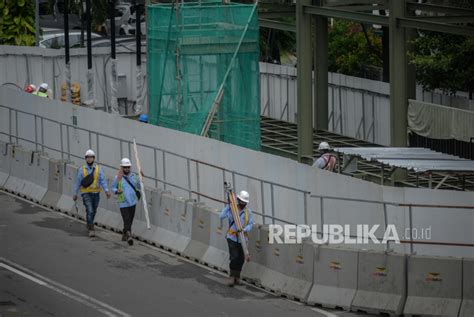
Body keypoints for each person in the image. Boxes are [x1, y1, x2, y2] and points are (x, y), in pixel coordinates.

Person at [73, 149, 111, 237]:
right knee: (90, 210)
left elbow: (103, 181)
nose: (89, 159)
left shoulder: (98, 169)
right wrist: (75, 193)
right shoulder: (81, 170)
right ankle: (91, 228)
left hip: (96, 193)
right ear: (85, 159)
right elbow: (77, 182)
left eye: (91, 157)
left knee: (93, 210)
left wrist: (106, 191)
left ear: (94, 158)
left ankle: (89, 223)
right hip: (86, 193)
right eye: (88, 157)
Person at [220, 190, 254, 287]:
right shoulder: (232, 209)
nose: (243, 204)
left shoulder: (248, 212)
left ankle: (237, 276)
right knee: (234, 257)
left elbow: (251, 224)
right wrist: (228, 206)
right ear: (238, 200)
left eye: (245, 203)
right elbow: (221, 216)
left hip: (243, 238)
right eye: (241, 202)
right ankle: (232, 276)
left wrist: (245, 229)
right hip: (232, 237)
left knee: (241, 259)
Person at [111, 158, 141, 246]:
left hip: (132, 202)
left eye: (128, 167)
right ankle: (129, 236)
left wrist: (141, 177)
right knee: (126, 219)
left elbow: (139, 186)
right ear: (122, 168)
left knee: (130, 220)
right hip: (123, 202)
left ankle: (125, 233)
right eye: (125, 167)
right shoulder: (118, 177)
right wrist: (117, 191)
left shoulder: (134, 176)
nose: (127, 169)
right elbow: (113, 187)